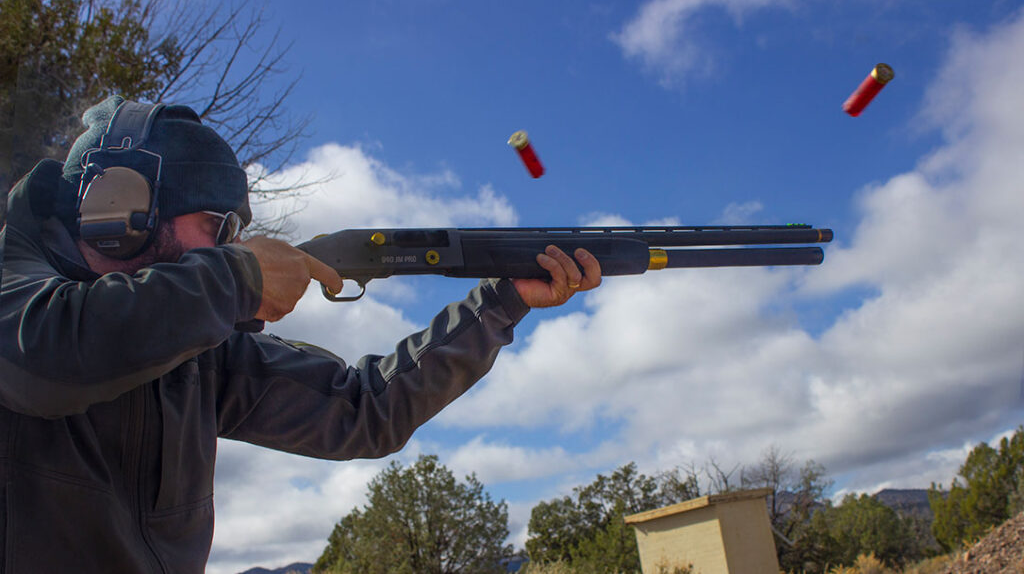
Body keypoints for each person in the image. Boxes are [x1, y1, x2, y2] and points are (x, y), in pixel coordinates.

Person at [0, 96, 601, 573]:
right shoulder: (20, 294)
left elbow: (363, 411)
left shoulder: (197, 347)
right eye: (218, 224)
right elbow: (43, 356)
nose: (231, 244)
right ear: (123, 205)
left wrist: (502, 302)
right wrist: (235, 279)